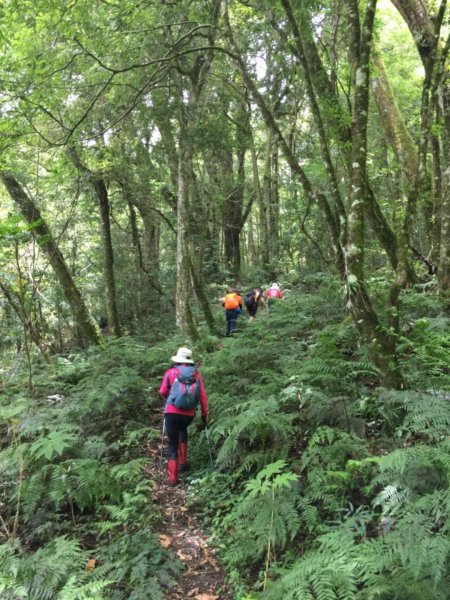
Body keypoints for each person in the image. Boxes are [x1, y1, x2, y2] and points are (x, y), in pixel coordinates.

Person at [159, 347, 208, 486]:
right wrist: (204, 414)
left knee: (172, 443)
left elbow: (162, 391)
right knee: (183, 430)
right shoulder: (196, 375)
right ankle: (183, 462)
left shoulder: (170, 372)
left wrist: (169, 395)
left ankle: (173, 479)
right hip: (188, 414)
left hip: (172, 412)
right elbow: (202, 397)